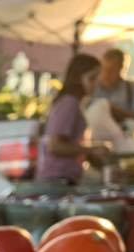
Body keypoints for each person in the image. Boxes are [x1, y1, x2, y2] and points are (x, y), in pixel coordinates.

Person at [36, 54, 108, 183]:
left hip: (66, 176)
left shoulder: (74, 103)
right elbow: (55, 146)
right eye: (92, 78)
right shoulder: (69, 103)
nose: (96, 83)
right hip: (58, 178)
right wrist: (91, 150)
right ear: (78, 79)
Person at [92, 48, 134, 128]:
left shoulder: (133, 89)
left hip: (125, 137)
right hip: (98, 138)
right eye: (104, 69)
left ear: (121, 69)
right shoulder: (94, 89)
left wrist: (115, 111)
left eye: (111, 70)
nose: (107, 74)